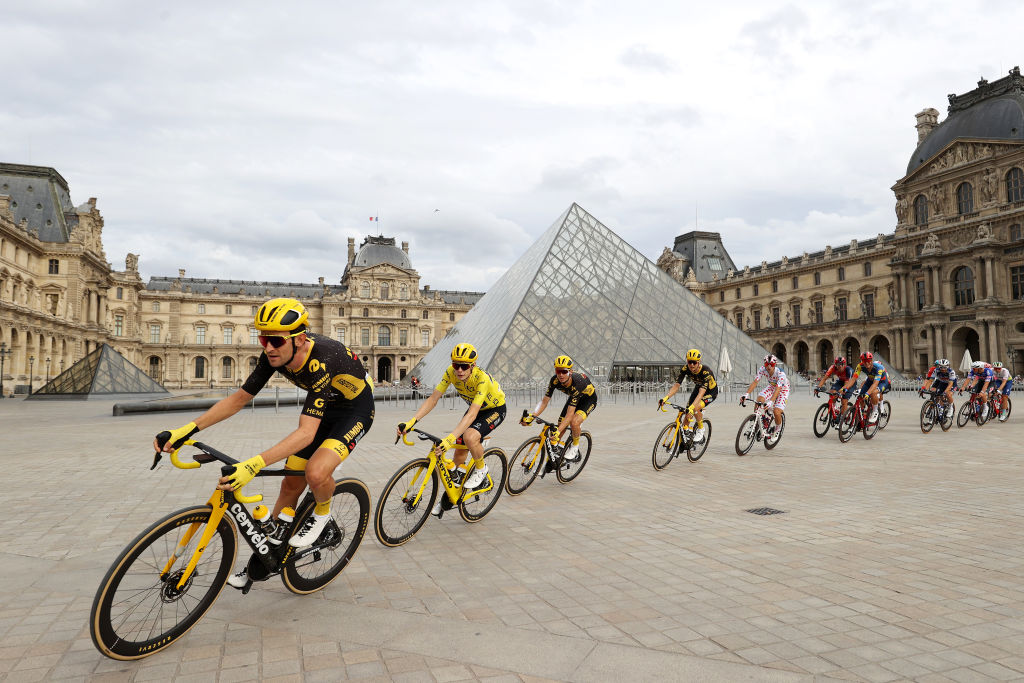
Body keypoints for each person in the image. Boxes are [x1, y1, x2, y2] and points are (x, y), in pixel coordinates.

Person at [154, 298, 375, 588]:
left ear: (299, 339)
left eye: (275, 340)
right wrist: (186, 430)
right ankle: (266, 557)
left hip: (354, 410)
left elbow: (307, 434)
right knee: (289, 485)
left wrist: (254, 464)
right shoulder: (273, 355)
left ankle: (322, 516)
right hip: (326, 408)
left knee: (316, 472)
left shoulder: (323, 360)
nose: (268, 346)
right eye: (262, 338)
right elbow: (239, 399)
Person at [397, 343, 506, 516]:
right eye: (456, 365)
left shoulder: (481, 379)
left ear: (473, 366)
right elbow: (433, 399)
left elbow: (471, 415)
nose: (460, 370)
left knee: (470, 437)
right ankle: (450, 497)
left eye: (464, 366)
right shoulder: (450, 372)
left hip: (494, 410)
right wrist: (411, 422)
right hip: (474, 409)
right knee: (457, 459)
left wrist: (449, 439)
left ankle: (481, 468)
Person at [521, 355, 597, 462]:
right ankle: (553, 459)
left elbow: (570, 415)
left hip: (588, 400)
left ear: (570, 371)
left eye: (564, 372)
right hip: (574, 399)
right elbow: (544, 402)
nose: (560, 375)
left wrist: (558, 430)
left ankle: (575, 448)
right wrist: (533, 416)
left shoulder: (578, 382)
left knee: (574, 422)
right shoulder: (554, 381)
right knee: (559, 428)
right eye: (558, 371)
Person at [659, 348, 718, 443]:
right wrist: (665, 398)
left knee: (694, 408)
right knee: (687, 414)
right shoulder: (685, 368)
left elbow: (702, 393)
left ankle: (701, 429)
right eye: (689, 362)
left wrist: (693, 407)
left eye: (694, 362)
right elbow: (676, 385)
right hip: (698, 388)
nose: (691, 365)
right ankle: (686, 437)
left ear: (699, 362)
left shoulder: (706, 372)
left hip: (710, 392)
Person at [742, 354, 789, 434]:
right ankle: (756, 422)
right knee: (759, 400)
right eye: (767, 364)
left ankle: (778, 429)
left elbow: (778, 389)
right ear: (764, 364)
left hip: (782, 389)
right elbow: (755, 381)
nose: (769, 367)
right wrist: (746, 394)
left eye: (772, 364)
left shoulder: (781, 374)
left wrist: (771, 401)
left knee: (776, 411)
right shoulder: (762, 369)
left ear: (775, 365)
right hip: (771, 386)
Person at [842, 352, 890, 423]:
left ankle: (875, 411)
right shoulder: (860, 366)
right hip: (870, 380)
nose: (866, 363)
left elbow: (875, 383)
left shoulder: (878, 368)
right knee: (860, 396)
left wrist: (868, 393)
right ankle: (863, 412)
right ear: (862, 361)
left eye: (868, 361)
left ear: (871, 360)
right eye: (864, 361)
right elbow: (853, 379)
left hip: (882, 382)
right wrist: (846, 388)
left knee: (873, 393)